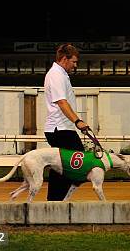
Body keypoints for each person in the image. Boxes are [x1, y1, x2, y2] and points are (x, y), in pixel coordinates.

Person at [43, 43, 90, 201]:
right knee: (77, 163)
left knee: (63, 167)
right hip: (59, 129)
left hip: (63, 128)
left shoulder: (61, 74)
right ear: (64, 59)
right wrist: (78, 121)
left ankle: (55, 202)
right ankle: (56, 202)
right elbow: (62, 102)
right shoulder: (56, 75)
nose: (75, 65)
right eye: (74, 62)